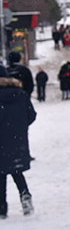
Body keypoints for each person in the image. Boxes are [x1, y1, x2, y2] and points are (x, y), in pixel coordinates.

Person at [0, 65, 36, 218]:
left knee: (1, 174)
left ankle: (2, 207)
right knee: (16, 170)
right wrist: (19, 127)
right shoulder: (21, 94)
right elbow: (31, 115)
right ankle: (25, 195)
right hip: (17, 139)